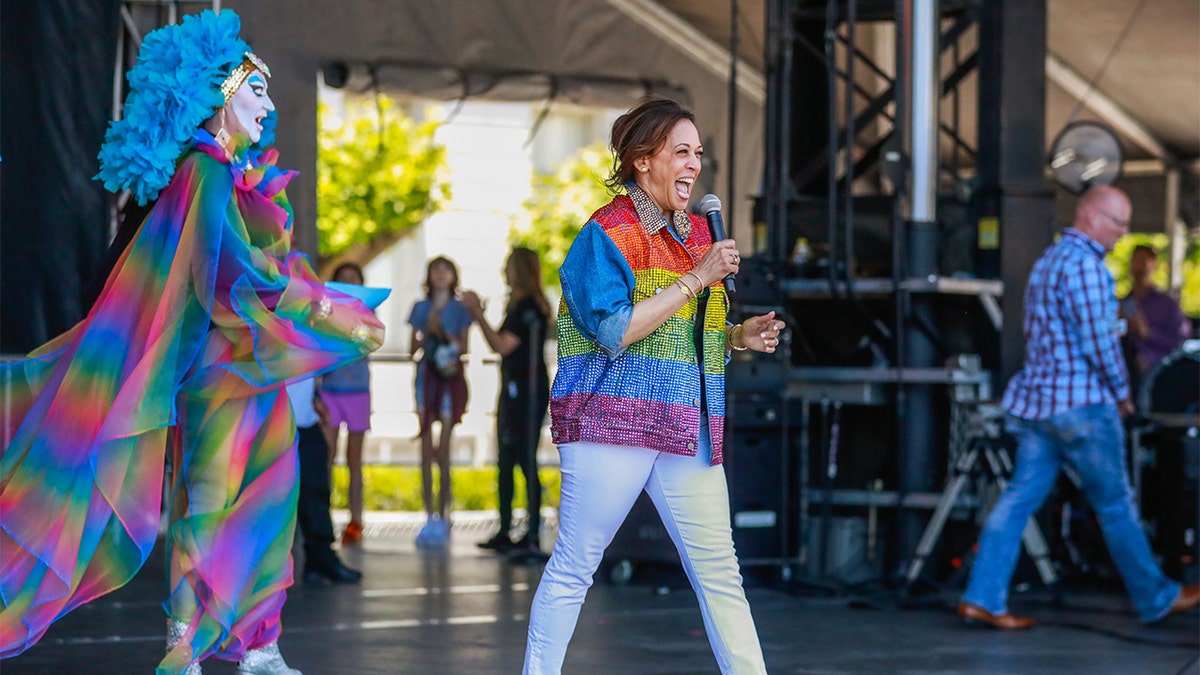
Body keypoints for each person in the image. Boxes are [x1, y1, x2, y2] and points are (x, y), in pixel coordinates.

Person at [0, 10, 387, 674]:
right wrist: (332, 310)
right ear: (218, 96)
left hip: (252, 370)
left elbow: (251, 270)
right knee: (215, 503)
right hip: (223, 369)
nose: (267, 103)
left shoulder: (230, 173)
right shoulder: (205, 171)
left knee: (264, 504)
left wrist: (324, 307)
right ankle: (190, 641)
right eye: (255, 89)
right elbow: (234, 271)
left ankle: (253, 641)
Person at [524, 97, 783, 674]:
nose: (695, 165)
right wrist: (699, 277)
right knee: (575, 565)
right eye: (681, 152)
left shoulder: (696, 233)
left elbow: (690, 334)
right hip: (609, 423)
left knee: (721, 572)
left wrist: (741, 335)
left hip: (684, 423)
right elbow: (617, 329)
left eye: (699, 154)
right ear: (643, 160)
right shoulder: (607, 232)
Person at [958, 185, 1199, 629]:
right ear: (1090, 216)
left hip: (1040, 406)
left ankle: (982, 596)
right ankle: (1156, 598)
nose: (1123, 233)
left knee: (1015, 502)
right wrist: (1124, 394)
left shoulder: (1048, 262)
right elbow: (1100, 345)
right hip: (1083, 408)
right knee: (1116, 506)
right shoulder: (1087, 267)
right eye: (1118, 223)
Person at [461, 248, 552, 557]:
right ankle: (509, 528)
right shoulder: (527, 306)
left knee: (524, 459)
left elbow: (502, 344)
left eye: (509, 267)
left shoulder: (527, 307)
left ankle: (530, 533)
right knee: (509, 459)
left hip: (524, 392)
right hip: (520, 389)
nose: (504, 273)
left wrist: (477, 315)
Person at [407, 256, 472, 549]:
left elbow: (463, 347)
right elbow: (412, 348)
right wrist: (426, 332)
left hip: (449, 381)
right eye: (436, 270)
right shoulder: (420, 308)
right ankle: (428, 514)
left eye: (446, 270)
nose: (441, 275)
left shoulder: (459, 310)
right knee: (425, 448)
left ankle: (444, 514)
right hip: (425, 379)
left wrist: (440, 331)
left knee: (444, 449)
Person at [287, 377, 363, 586]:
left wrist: (315, 395)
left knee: (315, 485)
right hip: (278, 421)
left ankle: (319, 559)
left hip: (303, 419)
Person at [319, 262, 375, 545]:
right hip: (330, 390)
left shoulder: (369, 312)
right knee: (326, 458)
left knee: (355, 460)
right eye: (345, 279)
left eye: (355, 278)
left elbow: (366, 340)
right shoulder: (326, 310)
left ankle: (356, 519)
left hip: (358, 392)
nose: (350, 282)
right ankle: (322, 517)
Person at [1120, 244, 1189, 388]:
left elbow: (1180, 341)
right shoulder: (1123, 303)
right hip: (1124, 370)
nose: (1139, 266)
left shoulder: (1167, 304)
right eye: (1135, 260)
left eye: (1143, 261)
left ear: (1154, 265)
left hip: (1158, 373)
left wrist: (1147, 334)